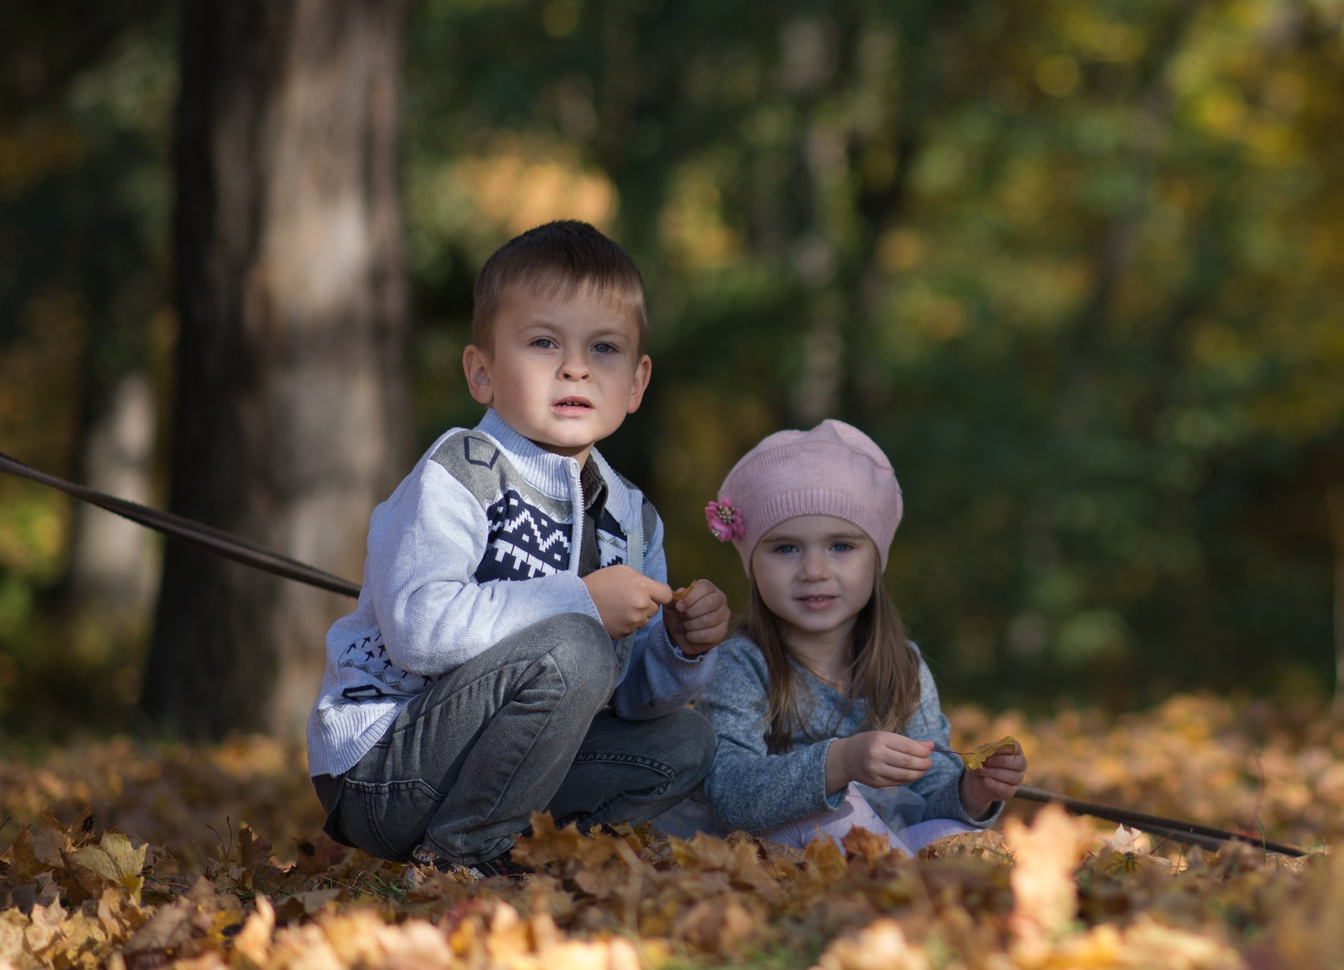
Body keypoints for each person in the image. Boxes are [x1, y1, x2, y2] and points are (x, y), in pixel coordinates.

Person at [306, 220, 734, 872]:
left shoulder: (633, 518)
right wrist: (580, 599)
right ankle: (459, 857)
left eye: (605, 349)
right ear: (482, 372)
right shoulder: (462, 470)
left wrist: (680, 647)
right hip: (386, 764)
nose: (575, 367)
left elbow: (626, 694)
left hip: (510, 764)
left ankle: (534, 857)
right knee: (574, 647)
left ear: (638, 382)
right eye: (543, 342)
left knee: (685, 740)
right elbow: (417, 631)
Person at [666, 421, 1024, 853]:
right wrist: (841, 762)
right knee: (839, 813)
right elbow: (731, 795)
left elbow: (929, 798)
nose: (814, 571)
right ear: (752, 562)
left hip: (879, 841)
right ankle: (904, 888)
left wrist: (975, 791)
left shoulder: (903, 668)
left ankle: (921, 888)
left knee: (958, 840)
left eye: (841, 546)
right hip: (775, 845)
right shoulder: (741, 664)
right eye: (785, 548)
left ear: (877, 559)